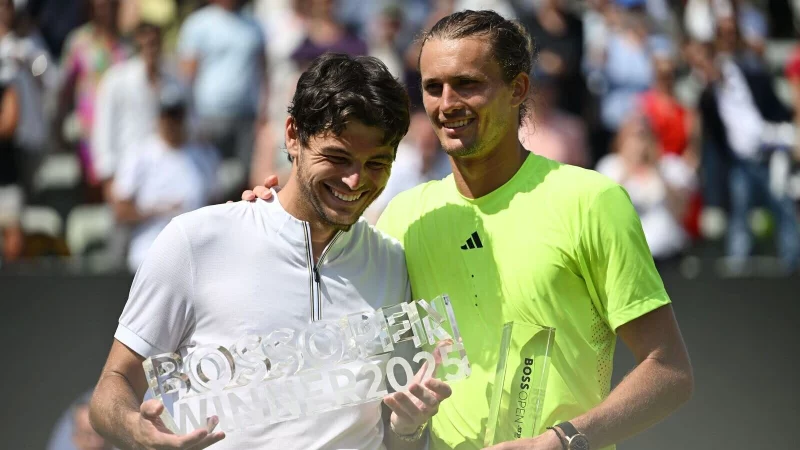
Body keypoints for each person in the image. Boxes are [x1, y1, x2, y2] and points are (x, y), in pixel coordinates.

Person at [245, 10, 694, 450]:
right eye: (432, 87)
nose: (446, 104)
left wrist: (562, 442)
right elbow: (321, 279)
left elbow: (669, 370)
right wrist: (269, 214)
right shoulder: (405, 217)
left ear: (518, 88)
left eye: (467, 84)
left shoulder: (591, 201)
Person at [89, 53, 451, 450]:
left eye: (377, 163)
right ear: (293, 135)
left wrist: (407, 428)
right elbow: (114, 386)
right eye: (337, 157)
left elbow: (396, 431)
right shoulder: (195, 241)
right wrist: (138, 431)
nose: (355, 180)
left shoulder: (393, 263)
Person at [109, 82, 220, 273]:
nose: (171, 121)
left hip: (198, 255)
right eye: (166, 114)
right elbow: (120, 209)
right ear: (159, 117)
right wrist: (162, 211)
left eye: (176, 115)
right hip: (149, 251)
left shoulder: (204, 155)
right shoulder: (140, 154)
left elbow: (216, 203)